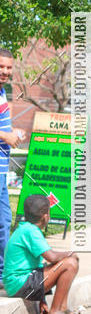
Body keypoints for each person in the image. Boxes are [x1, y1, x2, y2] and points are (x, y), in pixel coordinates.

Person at [2, 194, 80, 314]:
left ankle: (63, 308)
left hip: (17, 283)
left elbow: (37, 267)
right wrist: (70, 253)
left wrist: (41, 298)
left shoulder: (25, 228)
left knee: (67, 263)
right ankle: (54, 313)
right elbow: (52, 257)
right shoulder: (31, 231)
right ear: (45, 216)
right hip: (19, 283)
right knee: (70, 264)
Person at [0, 48, 26, 277]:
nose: (5, 72)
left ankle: (3, 273)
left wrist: (11, 132)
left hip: (1, 169)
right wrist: (5, 136)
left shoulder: (2, 92)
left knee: (4, 220)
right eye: (1, 67)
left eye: (8, 67)